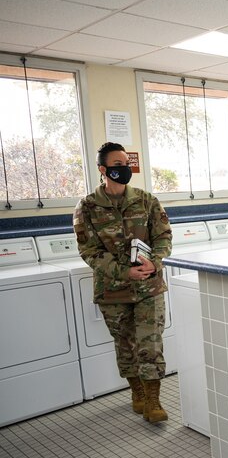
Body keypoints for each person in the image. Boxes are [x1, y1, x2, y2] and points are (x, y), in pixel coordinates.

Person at [73, 142, 172, 423]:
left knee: (150, 343)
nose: (124, 168)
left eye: (126, 163)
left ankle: (154, 400)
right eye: (117, 164)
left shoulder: (145, 200)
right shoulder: (87, 207)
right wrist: (122, 272)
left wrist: (157, 260)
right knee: (125, 343)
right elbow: (89, 251)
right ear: (103, 169)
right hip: (112, 289)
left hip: (148, 286)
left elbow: (164, 236)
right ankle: (137, 392)